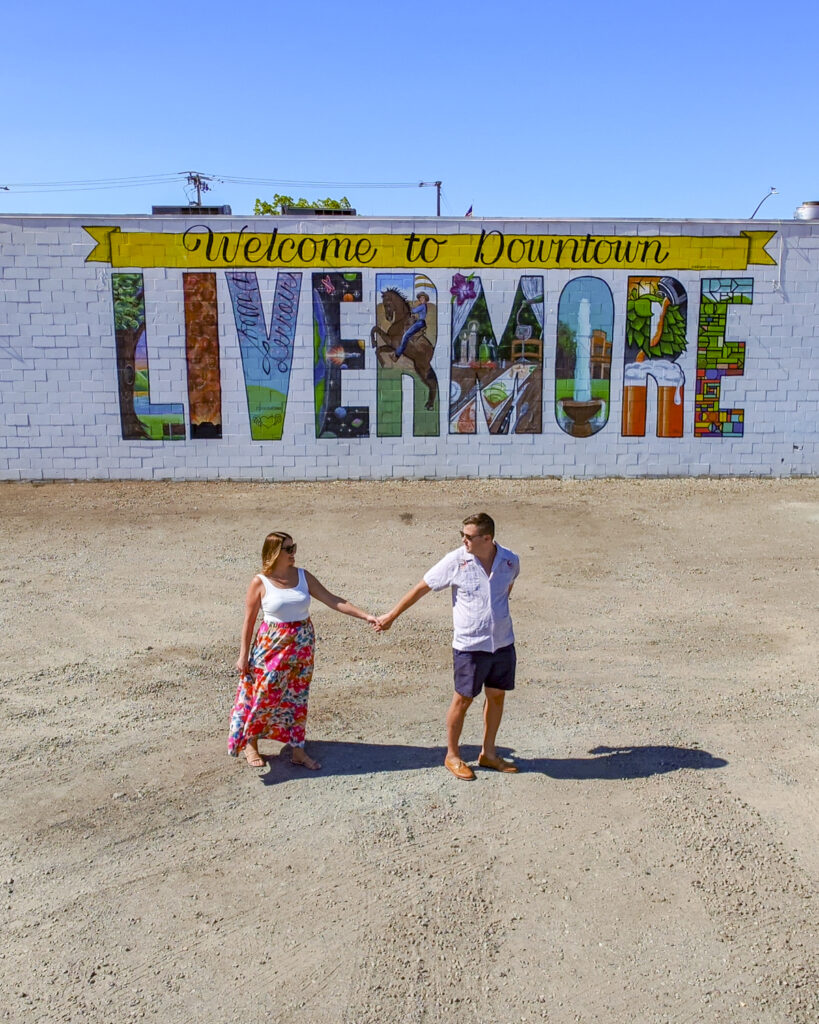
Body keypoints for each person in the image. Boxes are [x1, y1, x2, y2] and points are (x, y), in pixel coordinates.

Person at [375, 513, 520, 780]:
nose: (463, 540)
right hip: (470, 645)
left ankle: (488, 752)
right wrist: (392, 616)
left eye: (469, 536)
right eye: (462, 535)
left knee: (497, 695)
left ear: (487, 538)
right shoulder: (455, 561)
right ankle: (452, 755)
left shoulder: (510, 560)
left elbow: (504, 592)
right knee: (463, 699)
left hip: (501, 643)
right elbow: (422, 587)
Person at [229, 531, 376, 769]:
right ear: (274, 553)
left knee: (297, 698)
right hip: (271, 647)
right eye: (288, 549)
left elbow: (332, 599)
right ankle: (251, 744)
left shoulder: (303, 576)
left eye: (293, 547)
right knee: (262, 694)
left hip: (302, 646)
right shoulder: (260, 581)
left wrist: (366, 615)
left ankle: (297, 750)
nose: (293, 553)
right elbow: (249, 621)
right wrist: (243, 654)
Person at [393, 292, 429, 359]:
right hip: (419, 321)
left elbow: (413, 311)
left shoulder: (422, 306)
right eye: (420, 298)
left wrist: (409, 307)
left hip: (420, 322)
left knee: (406, 335)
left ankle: (397, 354)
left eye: (423, 298)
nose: (421, 299)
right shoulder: (422, 306)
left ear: (425, 299)